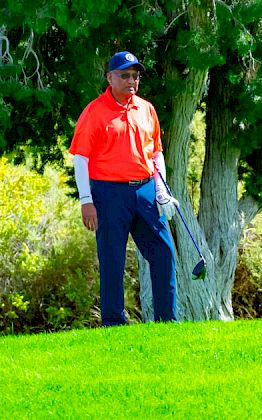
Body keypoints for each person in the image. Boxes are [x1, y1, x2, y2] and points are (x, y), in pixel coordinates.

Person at [69, 51, 179, 326]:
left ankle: (168, 322)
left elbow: (155, 154)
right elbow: (80, 158)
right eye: (125, 75)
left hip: (144, 191)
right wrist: (86, 200)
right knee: (112, 260)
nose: (132, 81)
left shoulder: (146, 109)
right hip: (108, 194)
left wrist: (162, 189)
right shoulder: (94, 112)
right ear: (110, 78)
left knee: (164, 254)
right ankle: (114, 323)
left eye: (135, 76)